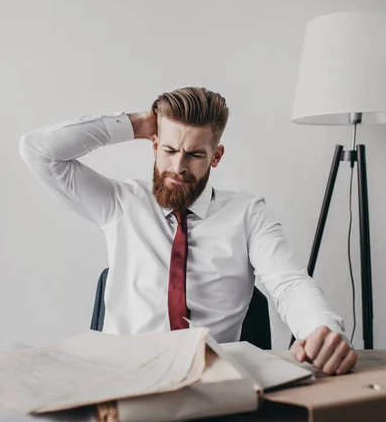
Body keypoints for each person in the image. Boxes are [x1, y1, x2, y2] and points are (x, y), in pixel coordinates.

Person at [19, 86, 357, 375]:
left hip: (211, 382)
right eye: (168, 150)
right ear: (153, 145)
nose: (178, 167)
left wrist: (319, 327)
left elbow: (288, 282)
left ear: (216, 156)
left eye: (194, 154)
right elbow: (39, 151)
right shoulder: (120, 202)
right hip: (122, 378)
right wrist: (137, 124)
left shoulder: (247, 213)